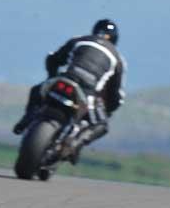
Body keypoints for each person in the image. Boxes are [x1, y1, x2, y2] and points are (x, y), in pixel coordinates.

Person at [13, 19, 126, 164]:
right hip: (87, 92)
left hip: (65, 79)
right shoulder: (117, 59)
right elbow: (115, 95)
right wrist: (108, 109)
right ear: (115, 38)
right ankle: (75, 144)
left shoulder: (80, 40)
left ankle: (26, 120)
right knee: (101, 124)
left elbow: (53, 59)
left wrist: (51, 77)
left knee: (37, 90)